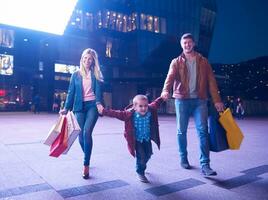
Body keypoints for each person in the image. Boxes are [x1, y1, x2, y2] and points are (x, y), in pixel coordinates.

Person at [161, 33, 224, 176]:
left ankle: (205, 165)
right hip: (182, 100)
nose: (187, 45)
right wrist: (165, 90)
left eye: (189, 42)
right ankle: (183, 158)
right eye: (184, 43)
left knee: (202, 131)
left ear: (193, 43)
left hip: (200, 100)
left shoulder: (203, 61)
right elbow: (169, 78)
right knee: (181, 131)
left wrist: (217, 100)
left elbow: (211, 81)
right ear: (181, 45)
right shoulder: (176, 62)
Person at [59, 48, 104, 179]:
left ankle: (86, 164)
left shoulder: (96, 74)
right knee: (80, 134)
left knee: (87, 132)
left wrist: (99, 103)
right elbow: (71, 93)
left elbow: (98, 91)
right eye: (85, 58)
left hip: (92, 106)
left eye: (89, 58)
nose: (87, 61)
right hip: (79, 107)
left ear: (93, 60)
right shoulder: (75, 75)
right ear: (82, 59)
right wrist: (66, 108)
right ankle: (87, 154)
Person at [99, 95, 164, 183]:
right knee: (141, 156)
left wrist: (162, 98)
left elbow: (156, 103)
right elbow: (116, 113)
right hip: (136, 140)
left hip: (147, 139)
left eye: (145, 105)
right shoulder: (129, 114)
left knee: (148, 154)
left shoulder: (150, 110)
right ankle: (140, 172)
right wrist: (103, 111)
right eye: (140, 106)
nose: (144, 108)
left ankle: (142, 164)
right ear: (135, 107)